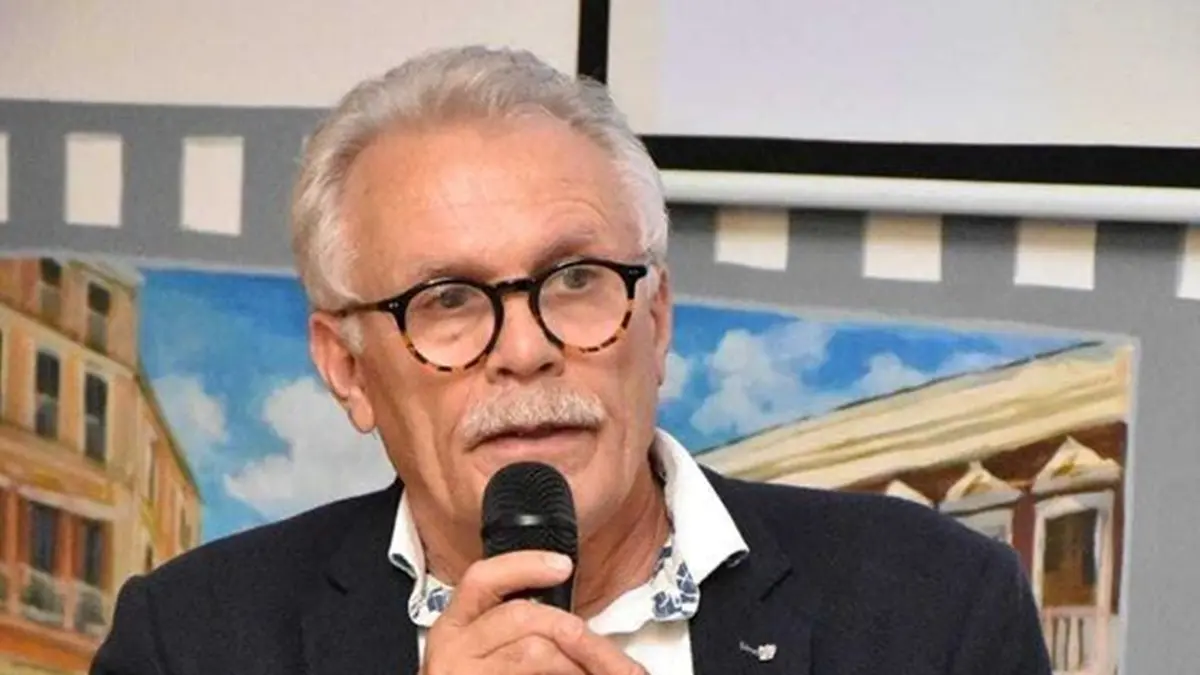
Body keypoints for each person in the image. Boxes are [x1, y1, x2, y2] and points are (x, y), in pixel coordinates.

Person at [90, 45, 1052, 675]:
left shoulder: (937, 609)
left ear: (656, 319)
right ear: (346, 368)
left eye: (576, 279)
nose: (526, 349)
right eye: (448, 300)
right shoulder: (192, 641)